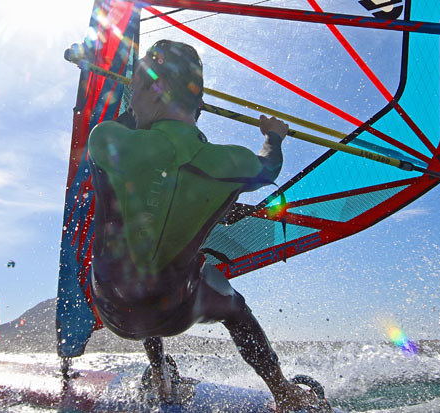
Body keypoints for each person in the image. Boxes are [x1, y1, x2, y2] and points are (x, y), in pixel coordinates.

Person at [86, 40, 329, 413]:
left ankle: (161, 376)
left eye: (134, 89)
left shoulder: (106, 139)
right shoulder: (234, 163)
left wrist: (142, 92)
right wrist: (273, 135)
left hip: (110, 302)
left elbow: (132, 126)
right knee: (231, 304)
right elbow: (270, 167)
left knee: (139, 263)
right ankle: (285, 393)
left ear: (154, 91)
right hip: (175, 309)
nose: (132, 99)